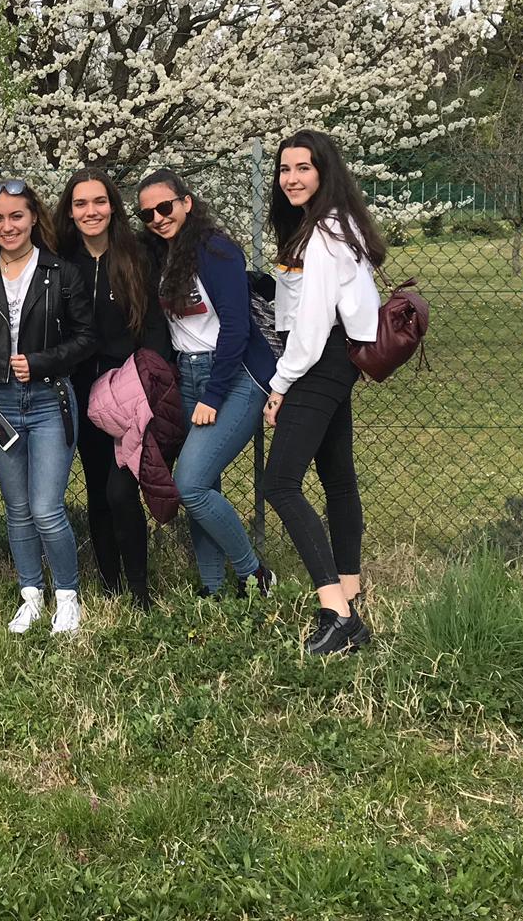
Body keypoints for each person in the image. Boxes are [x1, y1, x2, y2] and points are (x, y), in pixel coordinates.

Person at [262, 130, 384, 655]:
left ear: (324, 171)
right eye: (284, 169)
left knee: (280, 483)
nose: (290, 178)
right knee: (337, 477)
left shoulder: (325, 233)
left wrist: (279, 385)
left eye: (302, 168)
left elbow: (311, 324)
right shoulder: (339, 223)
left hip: (318, 359)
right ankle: (350, 592)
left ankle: (337, 615)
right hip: (338, 358)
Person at [138, 168, 278, 599]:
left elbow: (236, 327)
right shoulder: (163, 256)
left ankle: (254, 573)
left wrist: (214, 395)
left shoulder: (215, 250)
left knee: (190, 483)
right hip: (189, 372)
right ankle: (212, 586)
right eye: (147, 214)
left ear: (187, 203)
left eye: (165, 207)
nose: (158, 218)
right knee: (205, 483)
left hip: (234, 375)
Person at [0, 179, 96, 635]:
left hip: (48, 401)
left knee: (45, 508)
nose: (8, 226)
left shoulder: (61, 272)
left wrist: (42, 361)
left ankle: (67, 596)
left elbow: (86, 337)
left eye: (16, 216)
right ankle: (30, 595)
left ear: (34, 217)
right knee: (17, 508)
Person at [55, 169, 170, 609]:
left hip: (131, 393)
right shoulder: (62, 262)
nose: (91, 211)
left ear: (113, 207)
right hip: (84, 392)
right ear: (70, 211)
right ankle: (110, 583)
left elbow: (155, 326)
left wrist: (148, 380)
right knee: (97, 490)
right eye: (81, 203)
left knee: (121, 492)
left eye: (99, 201)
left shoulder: (137, 255)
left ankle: (139, 589)